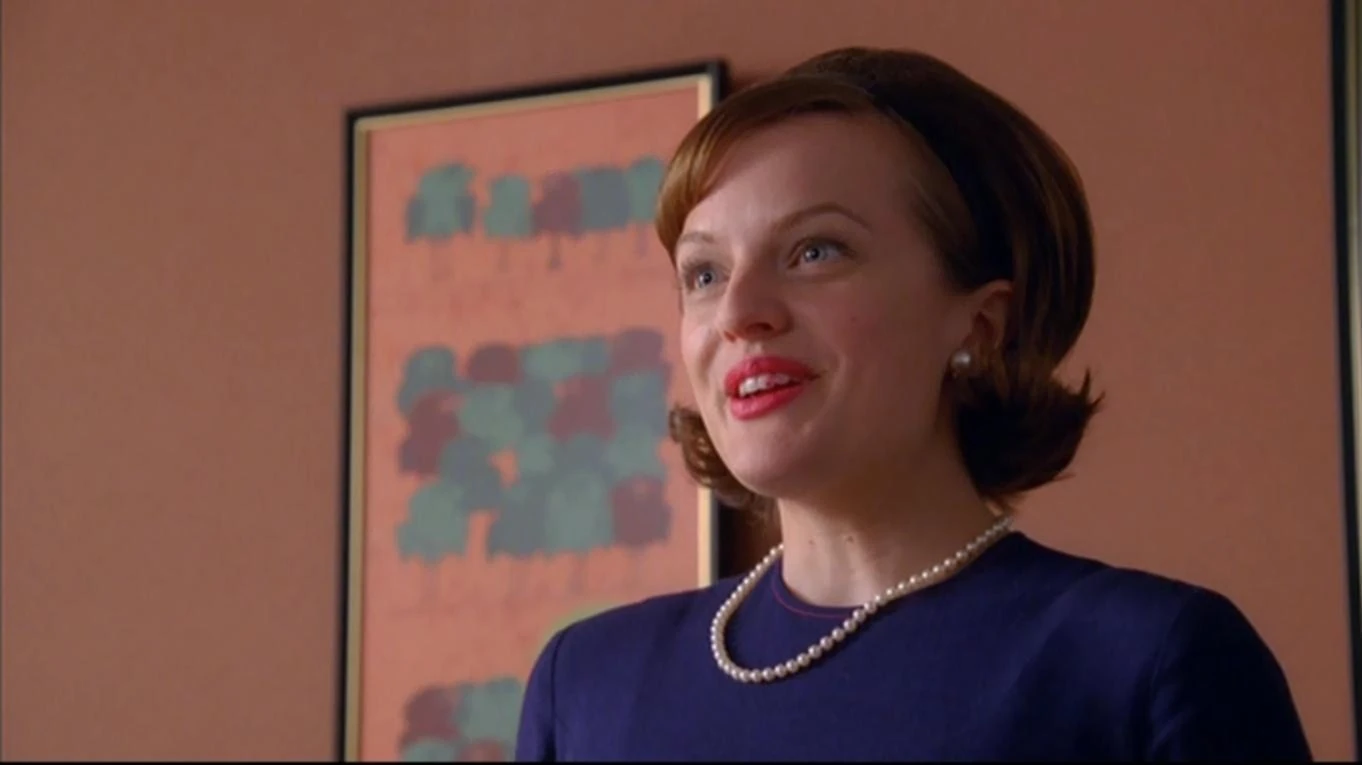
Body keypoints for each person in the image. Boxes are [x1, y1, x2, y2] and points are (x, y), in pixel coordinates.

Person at [514, 46, 1313, 761]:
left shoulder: (1146, 662)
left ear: (980, 326)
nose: (739, 312)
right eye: (704, 273)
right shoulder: (584, 682)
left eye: (815, 251)